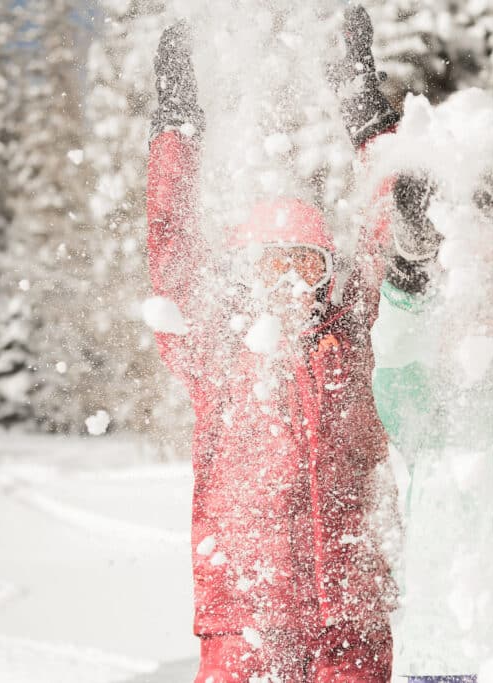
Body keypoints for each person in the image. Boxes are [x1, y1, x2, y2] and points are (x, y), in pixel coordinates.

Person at [331, 8, 493, 681]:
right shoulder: (425, 418)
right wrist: (413, 267)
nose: (480, 329)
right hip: (439, 652)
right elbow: (397, 354)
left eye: (492, 316)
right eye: (463, 316)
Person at [146, 22, 396, 683]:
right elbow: (170, 246)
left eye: (303, 263)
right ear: (242, 275)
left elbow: (395, 234)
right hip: (247, 615)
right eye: (269, 265)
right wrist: (175, 124)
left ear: (325, 274)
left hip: (353, 615)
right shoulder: (216, 354)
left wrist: (368, 114)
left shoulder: (357, 342)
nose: (287, 280)